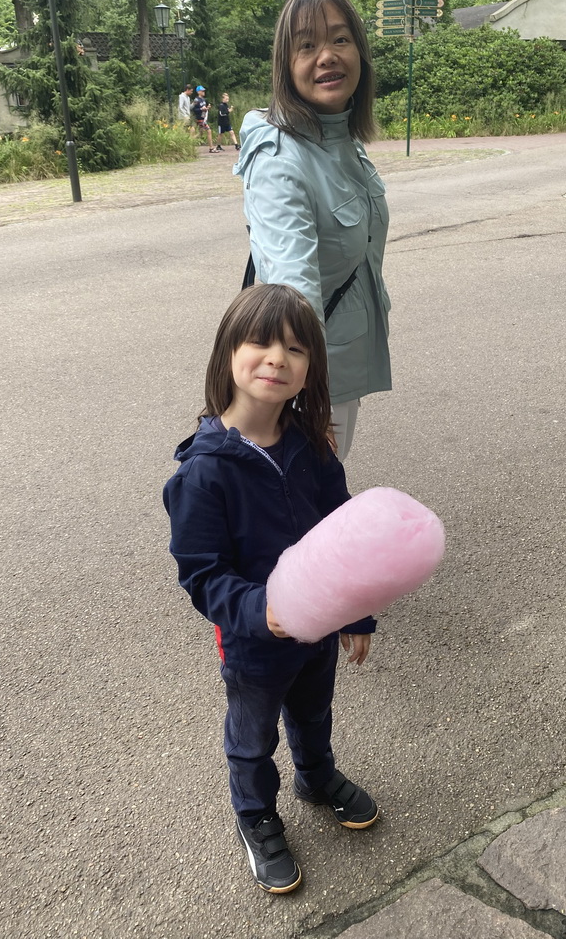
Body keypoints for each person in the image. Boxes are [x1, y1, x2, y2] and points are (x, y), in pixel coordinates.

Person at [163, 283, 378, 894]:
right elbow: (202, 575)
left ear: (311, 369)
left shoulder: (313, 449)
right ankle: (255, 815)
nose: (276, 358)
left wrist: (357, 613)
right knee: (252, 736)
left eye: (294, 348)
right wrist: (263, 611)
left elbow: (346, 535)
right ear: (227, 355)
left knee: (313, 712)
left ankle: (315, 776)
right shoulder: (203, 474)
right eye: (259, 341)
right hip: (255, 643)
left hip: (319, 631)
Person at [233, 0, 391, 462]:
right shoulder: (281, 156)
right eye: (307, 45)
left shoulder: (343, 140)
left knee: (311, 507)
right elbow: (293, 288)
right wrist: (311, 396)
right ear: (287, 65)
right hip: (310, 377)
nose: (327, 56)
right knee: (303, 516)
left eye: (340, 40)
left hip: (342, 360)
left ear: (360, 54)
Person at [192, 85, 220, 153]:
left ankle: (190, 141)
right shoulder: (196, 100)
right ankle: (211, 148)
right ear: (198, 92)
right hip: (199, 118)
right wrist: (201, 109)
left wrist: (207, 108)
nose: (203, 92)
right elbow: (193, 109)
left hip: (203, 118)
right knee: (209, 131)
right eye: (202, 91)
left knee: (200, 133)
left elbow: (204, 109)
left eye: (204, 90)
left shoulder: (203, 100)